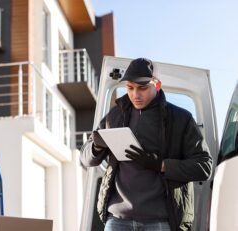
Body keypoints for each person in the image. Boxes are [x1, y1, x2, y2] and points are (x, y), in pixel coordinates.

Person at [80, 58, 213, 231]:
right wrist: (96, 146)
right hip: (118, 220)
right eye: (130, 88)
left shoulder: (181, 119)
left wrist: (161, 164)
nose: (135, 94)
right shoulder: (114, 117)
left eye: (142, 88)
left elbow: (205, 166)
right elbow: (85, 159)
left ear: (157, 85)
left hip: (161, 221)